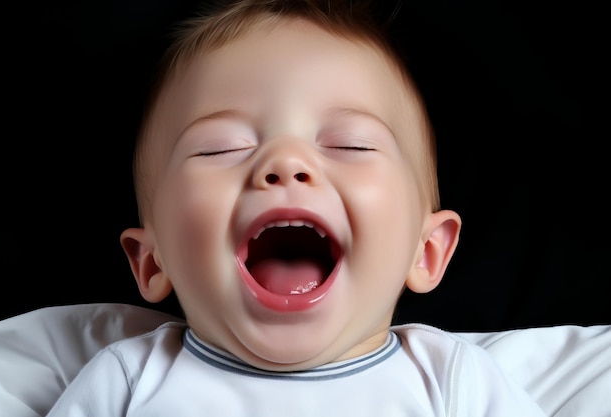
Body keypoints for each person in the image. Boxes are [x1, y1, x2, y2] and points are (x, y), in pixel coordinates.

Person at [46, 0, 547, 415]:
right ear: (152, 261)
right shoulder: (127, 381)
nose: (285, 162)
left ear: (427, 251)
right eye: (220, 147)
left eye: (351, 144)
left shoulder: (452, 381)